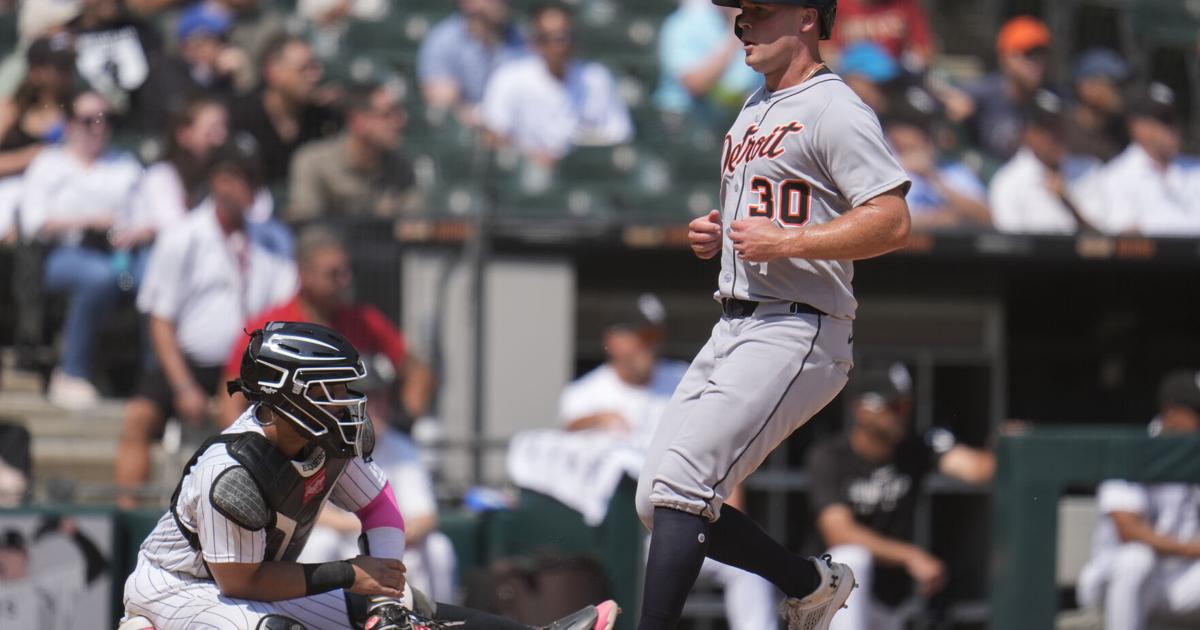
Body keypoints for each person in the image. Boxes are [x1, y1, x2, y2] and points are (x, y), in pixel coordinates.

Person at [634, 2, 912, 629]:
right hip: (735, 321)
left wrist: (789, 242)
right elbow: (774, 210)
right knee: (657, 500)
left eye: (759, 12)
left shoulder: (834, 106)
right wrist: (717, 235)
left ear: (807, 17)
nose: (743, 26)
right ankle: (809, 583)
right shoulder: (753, 105)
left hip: (799, 324)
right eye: (741, 16)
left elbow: (893, 221)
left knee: (682, 487)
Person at [120, 321, 620, 630]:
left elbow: (379, 506)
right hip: (177, 587)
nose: (347, 401)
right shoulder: (231, 472)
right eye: (332, 389)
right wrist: (351, 574)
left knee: (407, 616)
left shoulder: (322, 437)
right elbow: (242, 581)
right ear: (288, 394)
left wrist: (384, 600)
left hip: (249, 585)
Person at [560, 297, 781, 630]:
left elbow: (719, 443)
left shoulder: (683, 378)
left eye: (654, 336)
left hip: (689, 516)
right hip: (622, 533)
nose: (649, 347)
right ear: (614, 340)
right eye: (641, 337)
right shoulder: (585, 395)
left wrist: (732, 512)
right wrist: (590, 422)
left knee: (749, 567)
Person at [113, 141, 297, 509]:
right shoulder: (183, 236)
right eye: (239, 177)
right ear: (219, 180)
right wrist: (183, 387)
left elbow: (285, 308)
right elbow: (161, 320)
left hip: (255, 364)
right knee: (139, 418)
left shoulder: (275, 239)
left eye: (252, 178)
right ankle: (126, 512)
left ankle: (263, 511)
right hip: (191, 361)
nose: (247, 188)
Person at [806, 367, 996, 630]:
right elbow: (839, 533)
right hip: (828, 601)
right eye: (894, 406)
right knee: (851, 558)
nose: (903, 414)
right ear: (862, 409)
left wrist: (1010, 446)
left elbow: (976, 470)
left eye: (907, 405)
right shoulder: (831, 455)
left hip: (889, 599)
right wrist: (910, 555)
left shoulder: (915, 448)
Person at [217, 227, 434, 429]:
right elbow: (230, 401)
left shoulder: (364, 322)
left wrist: (397, 427)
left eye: (346, 271)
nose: (345, 280)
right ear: (305, 274)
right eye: (333, 274)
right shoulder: (270, 330)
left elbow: (418, 373)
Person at [19, 90, 144, 410]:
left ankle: (148, 379)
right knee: (99, 277)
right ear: (71, 124)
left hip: (121, 255)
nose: (98, 127)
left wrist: (134, 232)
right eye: (88, 120)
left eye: (106, 119)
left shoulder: (125, 165)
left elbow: (146, 213)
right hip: (61, 256)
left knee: (152, 277)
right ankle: (72, 370)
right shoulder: (49, 163)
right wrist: (90, 222)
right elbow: (35, 223)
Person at [299, 354, 457, 603]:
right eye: (368, 398)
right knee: (320, 543)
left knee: (438, 548)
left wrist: (395, 533)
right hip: (341, 542)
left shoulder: (402, 446)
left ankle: (433, 618)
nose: (377, 406)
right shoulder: (324, 440)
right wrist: (366, 526)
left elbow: (426, 515)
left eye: (382, 397)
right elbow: (307, 510)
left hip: (392, 544)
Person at [1075, 370, 1200, 630]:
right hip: (1115, 581)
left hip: (1177, 580)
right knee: (1136, 559)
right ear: (1172, 412)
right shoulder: (1132, 449)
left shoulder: (1194, 453)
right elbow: (1128, 529)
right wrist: (1190, 549)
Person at [481, 2, 632, 163]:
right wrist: (531, 154)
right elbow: (492, 135)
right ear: (535, 42)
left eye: (565, 36)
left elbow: (619, 133)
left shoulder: (596, 78)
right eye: (549, 38)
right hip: (527, 170)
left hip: (586, 168)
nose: (560, 45)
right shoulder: (509, 78)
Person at [287, 81, 421, 222]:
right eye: (387, 114)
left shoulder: (401, 167)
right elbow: (307, 225)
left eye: (399, 112)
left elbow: (415, 223)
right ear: (357, 121)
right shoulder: (314, 162)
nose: (401, 121)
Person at [1085, 82, 1200, 236]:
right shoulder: (1115, 177)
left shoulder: (1195, 169)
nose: (1172, 128)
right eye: (1164, 120)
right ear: (1137, 126)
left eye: (1175, 119)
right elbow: (1124, 238)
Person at [230, 34, 340, 184]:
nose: (315, 76)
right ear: (273, 72)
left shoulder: (323, 118)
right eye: (304, 69)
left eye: (315, 67)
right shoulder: (240, 117)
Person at [988, 89, 1100, 234]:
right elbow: (1010, 242)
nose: (1056, 135)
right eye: (1047, 129)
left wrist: (1068, 204)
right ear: (1026, 133)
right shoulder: (1008, 182)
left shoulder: (1089, 169)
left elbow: (1106, 238)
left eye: (1059, 126)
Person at [417, 0, 526, 125]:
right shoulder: (443, 40)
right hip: (467, 133)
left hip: (513, 129)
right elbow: (443, 105)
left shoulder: (522, 38)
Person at [654, 0, 761, 128]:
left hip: (737, 118)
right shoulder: (683, 23)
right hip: (683, 121)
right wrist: (736, 35)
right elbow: (695, 84)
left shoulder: (762, 25)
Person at [964, 15, 1052, 163]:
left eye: (1041, 55)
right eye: (1028, 55)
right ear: (1005, 58)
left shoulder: (1050, 101)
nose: (1037, 63)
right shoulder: (985, 93)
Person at [884, 113, 990, 231]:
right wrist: (943, 219)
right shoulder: (887, 172)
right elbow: (889, 223)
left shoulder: (956, 171)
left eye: (927, 128)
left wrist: (933, 178)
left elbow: (987, 217)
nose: (926, 134)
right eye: (917, 127)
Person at [0, 33, 73, 179]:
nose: (67, 72)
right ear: (36, 72)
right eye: (59, 67)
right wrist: (32, 157)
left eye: (69, 64)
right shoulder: (11, 110)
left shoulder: (78, 110)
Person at [1063, 48, 1130, 162]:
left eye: (1123, 86)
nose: (1119, 93)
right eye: (1113, 84)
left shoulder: (1123, 131)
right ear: (1086, 87)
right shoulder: (1060, 132)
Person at [828, 0, 933, 70]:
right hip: (849, 81)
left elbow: (923, 48)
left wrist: (911, 62)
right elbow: (825, 51)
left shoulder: (904, 4)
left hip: (896, 78)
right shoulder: (837, 6)